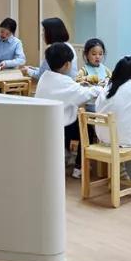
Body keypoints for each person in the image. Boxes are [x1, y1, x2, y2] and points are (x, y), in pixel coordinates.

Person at [34, 41, 103, 179]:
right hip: (58, 125)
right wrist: (100, 88)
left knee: (74, 122)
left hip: (46, 122)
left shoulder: (45, 77)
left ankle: (68, 155)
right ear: (67, 64)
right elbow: (84, 94)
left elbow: (73, 91)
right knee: (87, 130)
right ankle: (79, 167)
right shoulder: (63, 81)